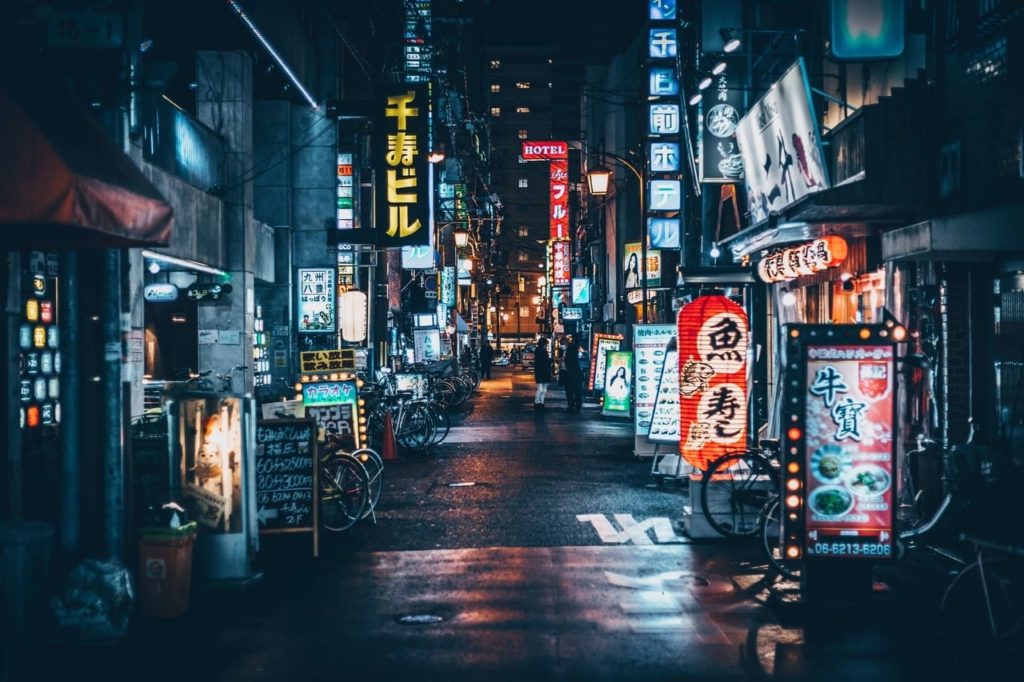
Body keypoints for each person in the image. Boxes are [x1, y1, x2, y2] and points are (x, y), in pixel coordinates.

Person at [562, 334, 583, 413]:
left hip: (570, 373)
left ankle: (571, 406)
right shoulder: (575, 348)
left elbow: (567, 361)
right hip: (576, 373)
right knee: (577, 391)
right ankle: (577, 406)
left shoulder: (570, 349)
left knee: (570, 391)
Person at [533, 337, 552, 410]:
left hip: (540, 372)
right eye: (546, 344)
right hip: (544, 372)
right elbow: (545, 362)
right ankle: (539, 403)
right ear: (543, 344)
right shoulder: (543, 352)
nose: (546, 346)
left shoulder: (538, 351)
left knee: (541, 389)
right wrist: (551, 360)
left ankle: (539, 403)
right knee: (542, 389)